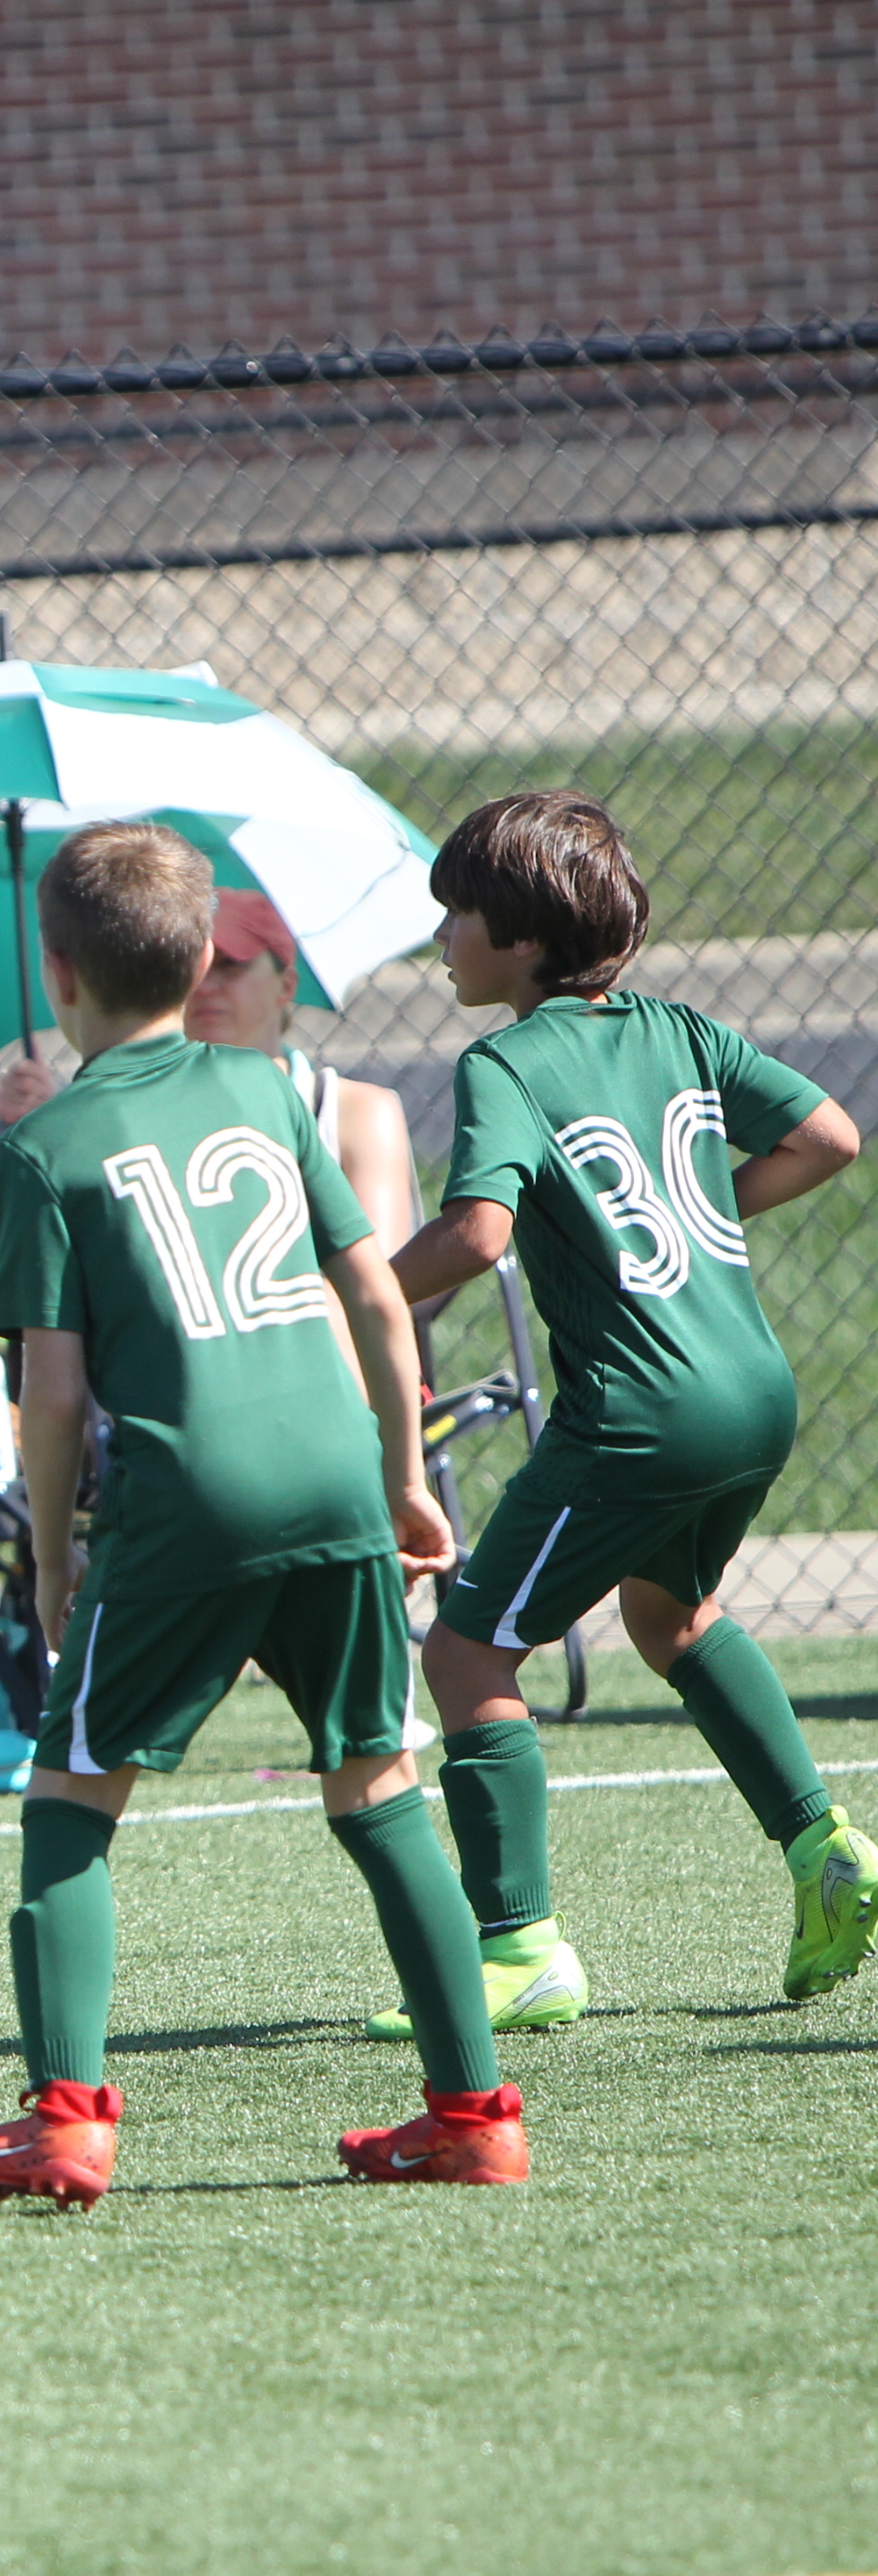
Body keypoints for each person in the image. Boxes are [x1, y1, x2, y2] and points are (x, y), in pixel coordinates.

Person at [0, 821, 507, 2210]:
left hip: (187, 1499)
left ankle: (65, 2121)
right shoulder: (267, 1088)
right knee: (378, 1784)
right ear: (198, 966)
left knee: (71, 1794)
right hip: (335, 1476)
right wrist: (401, 1472)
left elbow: (53, 1395)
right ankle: (475, 2115)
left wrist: (49, 1555)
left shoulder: (45, 1145)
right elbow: (376, 1298)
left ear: (58, 975)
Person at [370, 790, 867, 2039]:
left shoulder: (505, 1062)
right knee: (670, 1615)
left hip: (638, 1410)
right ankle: (825, 1847)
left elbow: (476, 1234)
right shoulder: (680, 1030)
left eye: (457, 914)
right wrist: (696, 1221)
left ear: (524, 939)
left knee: (467, 1656)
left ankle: (518, 1948)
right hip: (753, 1393)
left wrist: (344, 1294)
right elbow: (830, 1137)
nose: (441, 938)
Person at [0, 886, 420, 1249]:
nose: (205, 987)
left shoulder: (350, 1110)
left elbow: (385, 1273)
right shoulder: (131, 1114)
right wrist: (52, 1136)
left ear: (286, 985)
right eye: (194, 967)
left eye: (230, 965)